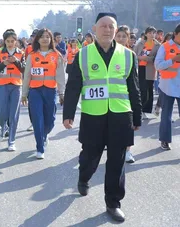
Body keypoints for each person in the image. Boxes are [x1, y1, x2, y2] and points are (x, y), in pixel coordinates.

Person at [63, 12, 142, 222]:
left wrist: (138, 116)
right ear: (95, 29)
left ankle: (113, 203)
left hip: (121, 114)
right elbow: (73, 87)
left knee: (117, 161)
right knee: (90, 156)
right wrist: (68, 114)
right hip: (93, 116)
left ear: (116, 30)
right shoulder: (83, 54)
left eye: (111, 26)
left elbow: (134, 88)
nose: (107, 30)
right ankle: (84, 177)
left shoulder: (128, 55)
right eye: (103, 26)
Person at [21, 28, 65, 159]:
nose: (45, 39)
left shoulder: (57, 55)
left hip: (51, 91)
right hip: (35, 91)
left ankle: (44, 135)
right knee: (37, 119)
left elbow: (61, 76)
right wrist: (24, 93)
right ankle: (40, 147)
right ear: (37, 39)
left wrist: (62, 93)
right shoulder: (32, 55)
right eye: (42, 37)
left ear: (51, 39)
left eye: (47, 36)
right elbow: (27, 75)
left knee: (50, 120)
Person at [0, 29, 26, 150]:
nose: (10, 43)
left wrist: (16, 62)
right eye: (8, 41)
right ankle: (3, 126)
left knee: (14, 114)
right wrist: (4, 63)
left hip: (16, 86)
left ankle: (11, 141)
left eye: (13, 41)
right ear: (4, 41)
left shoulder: (21, 53)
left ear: (16, 41)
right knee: (2, 113)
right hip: (3, 85)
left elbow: (24, 70)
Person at [154, 24, 180, 150]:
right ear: (176, 33)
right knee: (166, 115)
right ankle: (165, 140)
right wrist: (173, 59)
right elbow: (158, 65)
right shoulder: (165, 46)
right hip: (168, 85)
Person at [114, 25, 136, 163]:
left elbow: (134, 80)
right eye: (119, 36)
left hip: (126, 97)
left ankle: (127, 151)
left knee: (128, 125)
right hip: (109, 98)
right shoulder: (107, 53)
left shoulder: (130, 54)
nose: (121, 39)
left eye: (124, 36)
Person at [134, 26, 160, 119]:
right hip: (141, 67)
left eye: (153, 33)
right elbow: (134, 54)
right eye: (149, 33)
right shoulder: (140, 43)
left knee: (149, 90)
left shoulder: (158, 45)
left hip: (151, 69)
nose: (151, 35)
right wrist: (140, 57)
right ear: (146, 34)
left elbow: (157, 58)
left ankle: (147, 110)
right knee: (142, 89)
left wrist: (148, 58)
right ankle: (141, 110)